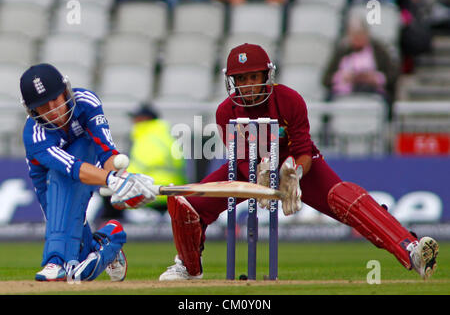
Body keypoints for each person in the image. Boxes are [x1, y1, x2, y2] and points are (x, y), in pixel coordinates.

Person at [157, 43, 439, 281]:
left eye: (253, 77)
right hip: (250, 167)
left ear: (266, 75)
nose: (247, 86)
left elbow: (304, 149)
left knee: (345, 197)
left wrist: (292, 175)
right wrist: (263, 181)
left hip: (297, 163)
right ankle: (189, 267)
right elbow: (242, 161)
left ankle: (411, 249)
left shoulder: (289, 99)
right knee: (187, 202)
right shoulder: (226, 111)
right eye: (240, 79)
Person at [20, 63, 157, 282]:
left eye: (55, 99)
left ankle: (54, 261)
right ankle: (110, 238)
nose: (53, 110)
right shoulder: (35, 134)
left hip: (85, 163)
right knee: (80, 256)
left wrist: (121, 179)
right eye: (43, 107)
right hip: (50, 184)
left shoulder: (86, 102)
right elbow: (70, 167)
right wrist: (112, 181)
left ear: (66, 90)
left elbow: (107, 151)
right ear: (32, 110)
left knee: (83, 146)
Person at [101, 103, 187, 219]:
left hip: (153, 194)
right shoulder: (166, 137)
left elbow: (139, 169)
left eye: (136, 118)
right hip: (172, 194)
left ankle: (108, 229)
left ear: (145, 119)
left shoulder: (146, 139)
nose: (133, 121)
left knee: (109, 192)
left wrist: (113, 177)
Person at [322, 15, 399, 108]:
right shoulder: (342, 51)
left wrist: (376, 78)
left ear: (367, 34)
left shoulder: (379, 50)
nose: (357, 40)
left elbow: (392, 74)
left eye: (360, 35)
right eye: (354, 36)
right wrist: (343, 77)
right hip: (346, 93)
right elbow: (326, 79)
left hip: (373, 91)